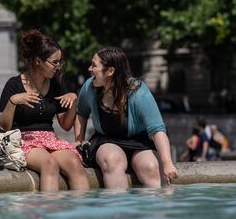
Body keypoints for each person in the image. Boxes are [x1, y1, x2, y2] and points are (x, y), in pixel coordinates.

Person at [0, 29, 89, 191]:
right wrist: (13, 101)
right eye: (55, 62)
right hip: (23, 140)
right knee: (49, 164)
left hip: (50, 139)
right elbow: (2, 127)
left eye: (60, 62)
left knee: (75, 163)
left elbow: (66, 125)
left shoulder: (56, 84)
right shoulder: (13, 84)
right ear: (38, 61)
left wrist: (73, 101)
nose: (58, 67)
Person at [74, 47, 177, 188]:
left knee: (151, 167)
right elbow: (81, 113)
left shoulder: (139, 93)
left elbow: (157, 130)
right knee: (111, 160)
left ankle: (156, 208)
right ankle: (119, 208)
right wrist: (78, 141)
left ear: (110, 71)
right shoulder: (89, 87)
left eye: (94, 65)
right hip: (107, 140)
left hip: (139, 140)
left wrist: (167, 163)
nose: (89, 69)